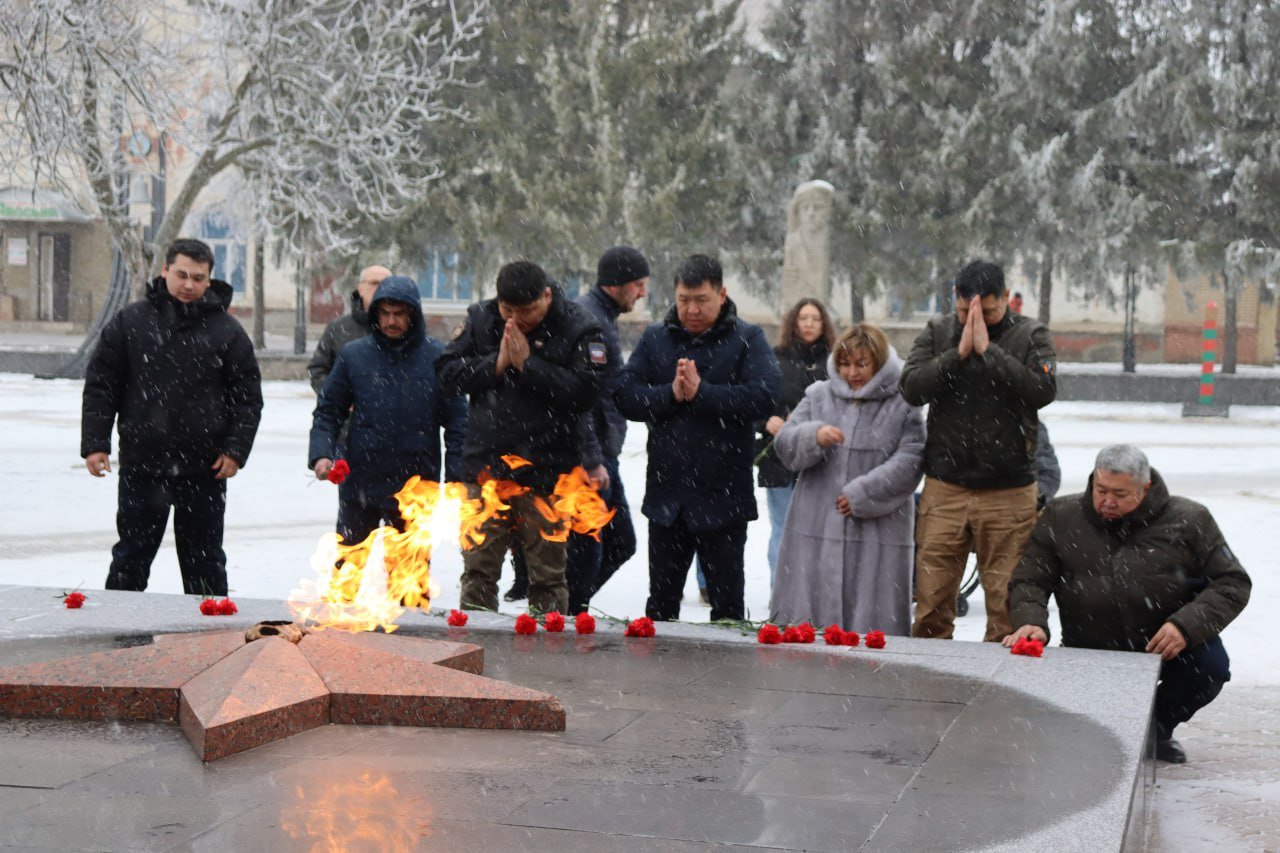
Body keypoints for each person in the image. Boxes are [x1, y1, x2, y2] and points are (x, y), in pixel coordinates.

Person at [1006, 445, 1251, 764]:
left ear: (1145, 488)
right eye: (1101, 489)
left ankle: (1154, 730)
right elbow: (1030, 578)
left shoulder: (1189, 519)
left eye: (1120, 494)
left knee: (1210, 669)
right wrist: (1032, 620)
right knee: (1081, 738)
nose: (1107, 501)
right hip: (1089, 646)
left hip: (1163, 645)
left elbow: (1232, 582)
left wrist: (1185, 626)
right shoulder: (1062, 516)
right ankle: (1111, 726)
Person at [81, 238, 263, 596]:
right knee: (130, 558)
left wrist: (236, 449)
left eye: (198, 277)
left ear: (209, 280)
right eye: (181, 274)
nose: (189, 284)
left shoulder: (227, 332)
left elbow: (248, 398)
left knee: (205, 562)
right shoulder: (131, 322)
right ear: (164, 271)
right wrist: (95, 443)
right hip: (142, 464)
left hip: (206, 468)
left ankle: (211, 640)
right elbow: (102, 386)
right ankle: (119, 639)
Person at [616, 254, 780, 622]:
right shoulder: (657, 338)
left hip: (723, 496)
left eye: (701, 300)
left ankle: (723, 677)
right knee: (660, 606)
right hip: (667, 497)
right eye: (683, 300)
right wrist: (670, 394)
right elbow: (625, 394)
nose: (691, 310)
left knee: (726, 611)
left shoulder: (746, 338)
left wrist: (703, 394)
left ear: (721, 294)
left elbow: (765, 395)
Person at [901, 259, 1057, 642]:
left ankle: (999, 695)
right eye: (966, 311)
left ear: (1005, 298)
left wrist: (991, 353)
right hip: (945, 486)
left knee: (1006, 608)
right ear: (955, 298)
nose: (977, 320)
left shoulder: (1031, 334)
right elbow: (911, 387)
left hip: (1009, 490)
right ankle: (931, 690)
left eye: (988, 312)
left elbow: (1043, 390)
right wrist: (958, 354)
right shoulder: (939, 331)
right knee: (931, 602)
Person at [438, 260, 606, 614]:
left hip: (547, 470)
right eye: (507, 309)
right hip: (486, 468)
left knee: (547, 577)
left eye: (527, 310)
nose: (516, 320)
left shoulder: (578, 326)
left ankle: (546, 652)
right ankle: (474, 652)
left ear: (546, 295)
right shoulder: (482, 319)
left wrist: (530, 366)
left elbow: (587, 393)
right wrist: (495, 365)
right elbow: (446, 373)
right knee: (479, 571)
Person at [308, 276, 467, 582]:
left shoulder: (438, 358)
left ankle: (411, 629)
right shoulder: (354, 356)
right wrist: (321, 454)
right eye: (385, 314)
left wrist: (457, 477)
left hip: (416, 486)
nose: (392, 321)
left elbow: (459, 423)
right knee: (348, 574)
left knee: (410, 580)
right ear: (375, 315)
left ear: (413, 315)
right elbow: (328, 411)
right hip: (361, 483)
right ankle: (338, 629)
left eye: (399, 314)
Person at [770, 323, 925, 633]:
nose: (851, 372)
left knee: (870, 632)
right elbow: (784, 443)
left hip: (878, 531)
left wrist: (864, 494)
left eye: (861, 364)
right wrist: (813, 436)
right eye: (845, 363)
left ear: (879, 364)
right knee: (808, 632)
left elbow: (912, 459)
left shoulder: (903, 402)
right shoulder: (818, 396)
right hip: (815, 524)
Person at [564, 245, 648, 612]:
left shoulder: (600, 314)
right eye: (639, 285)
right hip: (589, 459)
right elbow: (580, 401)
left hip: (598, 454)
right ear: (618, 284)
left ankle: (565, 609)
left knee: (613, 544)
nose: (642, 293)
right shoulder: (592, 321)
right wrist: (592, 459)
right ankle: (564, 614)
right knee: (591, 548)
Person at [757, 298, 837, 584]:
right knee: (783, 527)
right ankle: (780, 590)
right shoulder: (774, 358)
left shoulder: (835, 362)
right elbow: (757, 399)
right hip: (779, 457)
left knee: (818, 529)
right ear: (793, 322)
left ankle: (812, 593)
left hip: (822, 459)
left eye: (815, 318)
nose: (809, 323)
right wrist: (766, 420)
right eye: (803, 318)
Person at [308, 265, 392, 393]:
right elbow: (318, 370)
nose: (381, 287)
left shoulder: (404, 328)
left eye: (387, 283)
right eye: (375, 283)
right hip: (347, 412)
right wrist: (338, 396)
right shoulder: (338, 328)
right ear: (361, 288)